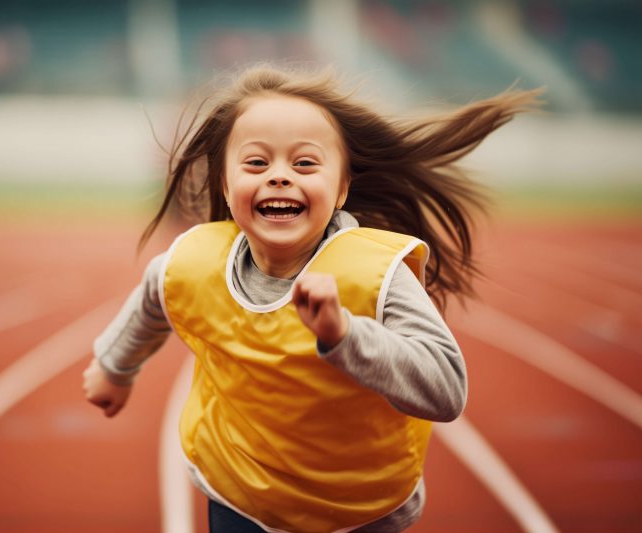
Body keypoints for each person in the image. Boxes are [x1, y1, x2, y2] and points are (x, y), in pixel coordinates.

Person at [82, 65, 540, 533]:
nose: (279, 177)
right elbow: (153, 300)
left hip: (356, 511)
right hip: (239, 494)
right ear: (224, 183)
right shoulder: (195, 260)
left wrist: (344, 334)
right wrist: (114, 368)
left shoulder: (375, 276)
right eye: (256, 163)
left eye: (304, 164)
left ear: (342, 188)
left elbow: (446, 391)